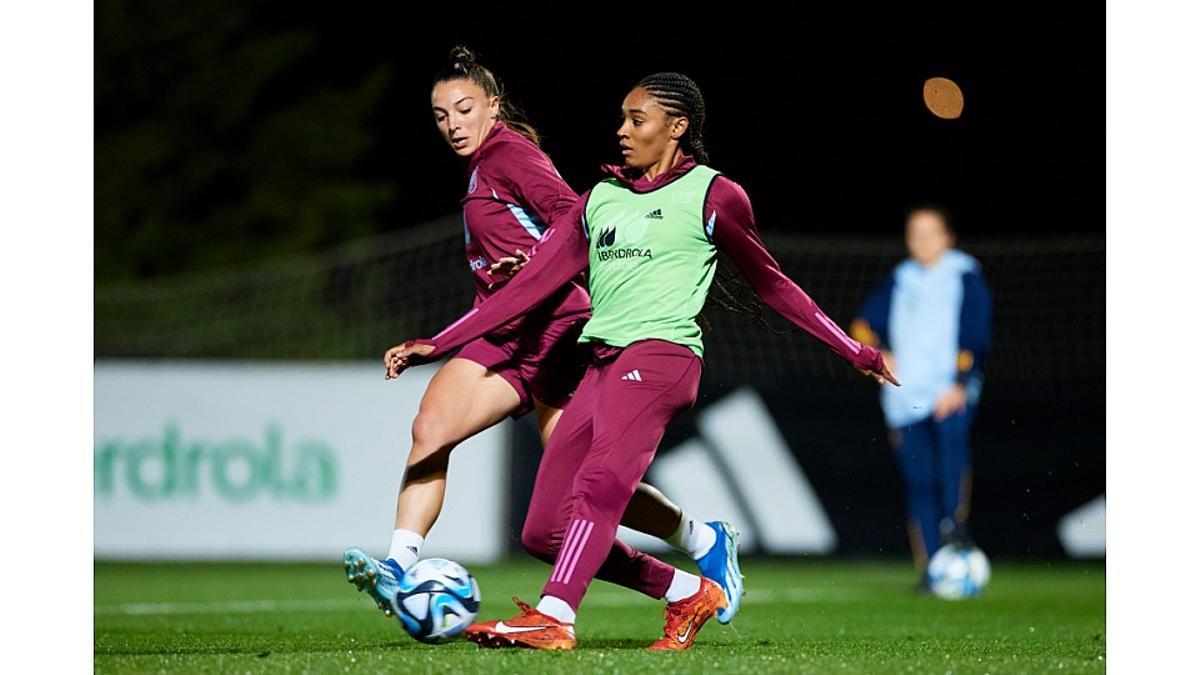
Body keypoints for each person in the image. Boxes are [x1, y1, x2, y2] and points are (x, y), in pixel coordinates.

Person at [388, 72, 898, 651]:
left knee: (601, 484)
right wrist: (442, 340)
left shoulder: (714, 194)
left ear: (676, 128)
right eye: (623, 118)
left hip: (662, 359)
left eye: (637, 120)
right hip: (601, 363)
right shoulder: (600, 199)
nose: (622, 131)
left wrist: (853, 349)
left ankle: (554, 616)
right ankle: (687, 591)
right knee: (543, 532)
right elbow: (528, 286)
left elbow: (773, 285)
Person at [343, 49, 743, 626]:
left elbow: (571, 215)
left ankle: (699, 540)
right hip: (502, 331)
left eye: (463, 109)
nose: (452, 123)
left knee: (589, 489)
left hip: (560, 329)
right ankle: (400, 566)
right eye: (440, 115)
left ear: (493, 107)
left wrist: (532, 259)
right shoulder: (481, 164)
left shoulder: (510, 153)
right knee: (430, 428)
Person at [850, 205, 993, 585]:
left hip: (949, 393)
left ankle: (955, 533)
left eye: (930, 233)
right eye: (915, 233)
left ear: (948, 238)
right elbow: (863, 325)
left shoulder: (964, 274)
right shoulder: (901, 278)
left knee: (951, 466)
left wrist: (960, 383)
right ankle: (931, 568)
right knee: (919, 481)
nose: (922, 241)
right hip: (904, 397)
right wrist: (879, 349)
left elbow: (975, 334)